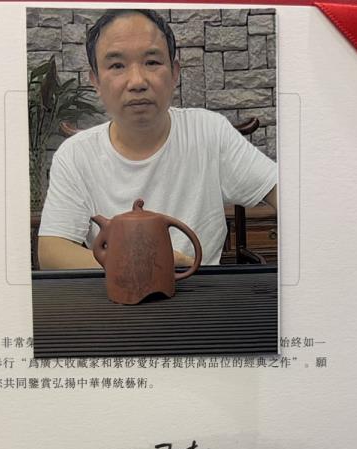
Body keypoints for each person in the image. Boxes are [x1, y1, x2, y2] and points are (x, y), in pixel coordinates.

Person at [38, 9, 277, 270]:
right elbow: (52, 250)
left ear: (174, 73)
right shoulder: (75, 154)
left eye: (152, 62)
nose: (137, 82)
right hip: (115, 290)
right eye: (117, 66)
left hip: (200, 290)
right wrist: (140, 265)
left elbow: (287, 195)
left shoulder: (209, 132)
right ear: (95, 80)